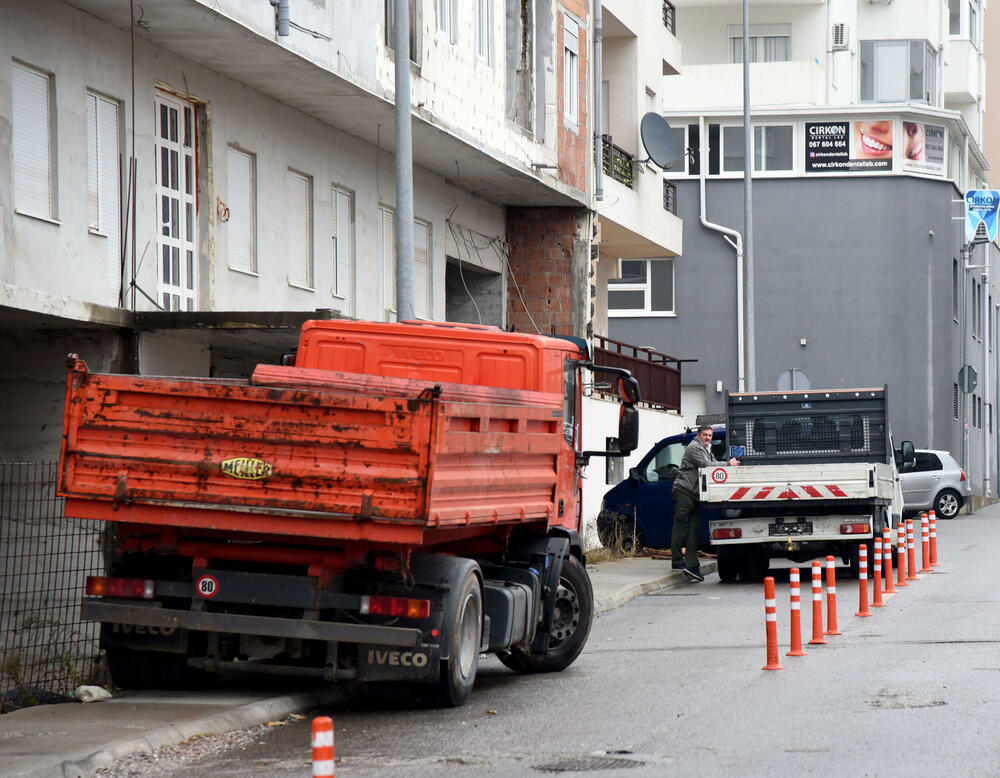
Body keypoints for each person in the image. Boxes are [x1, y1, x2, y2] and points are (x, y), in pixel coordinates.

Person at [671, 424, 739, 582]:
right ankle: (677, 562)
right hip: (684, 491)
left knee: (694, 529)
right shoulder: (695, 447)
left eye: (710, 435)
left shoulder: (706, 448)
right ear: (699, 435)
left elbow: (714, 462)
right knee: (681, 527)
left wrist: (728, 464)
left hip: (694, 495)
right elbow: (707, 466)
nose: (708, 438)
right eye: (705, 435)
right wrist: (728, 465)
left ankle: (691, 564)